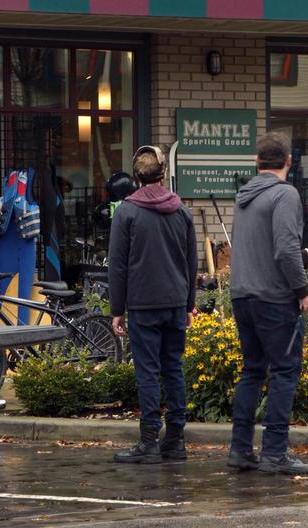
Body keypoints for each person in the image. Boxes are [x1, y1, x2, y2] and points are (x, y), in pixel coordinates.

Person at [227, 132, 308, 475]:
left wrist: (299, 254)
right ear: (289, 161)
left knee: (252, 371)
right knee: (284, 370)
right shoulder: (285, 194)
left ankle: (240, 449)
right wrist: (302, 291)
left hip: (242, 294)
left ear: (256, 161)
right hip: (275, 298)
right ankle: (275, 452)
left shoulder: (244, 196)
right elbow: (282, 249)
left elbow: (268, 245)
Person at [108, 145, 197, 465]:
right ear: (163, 173)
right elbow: (191, 263)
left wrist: (116, 310)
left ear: (136, 176)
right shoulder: (181, 210)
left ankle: (148, 442)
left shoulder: (127, 212)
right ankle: (175, 440)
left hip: (143, 305)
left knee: (147, 371)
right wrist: (189, 305)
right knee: (173, 369)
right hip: (174, 303)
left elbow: (117, 265)